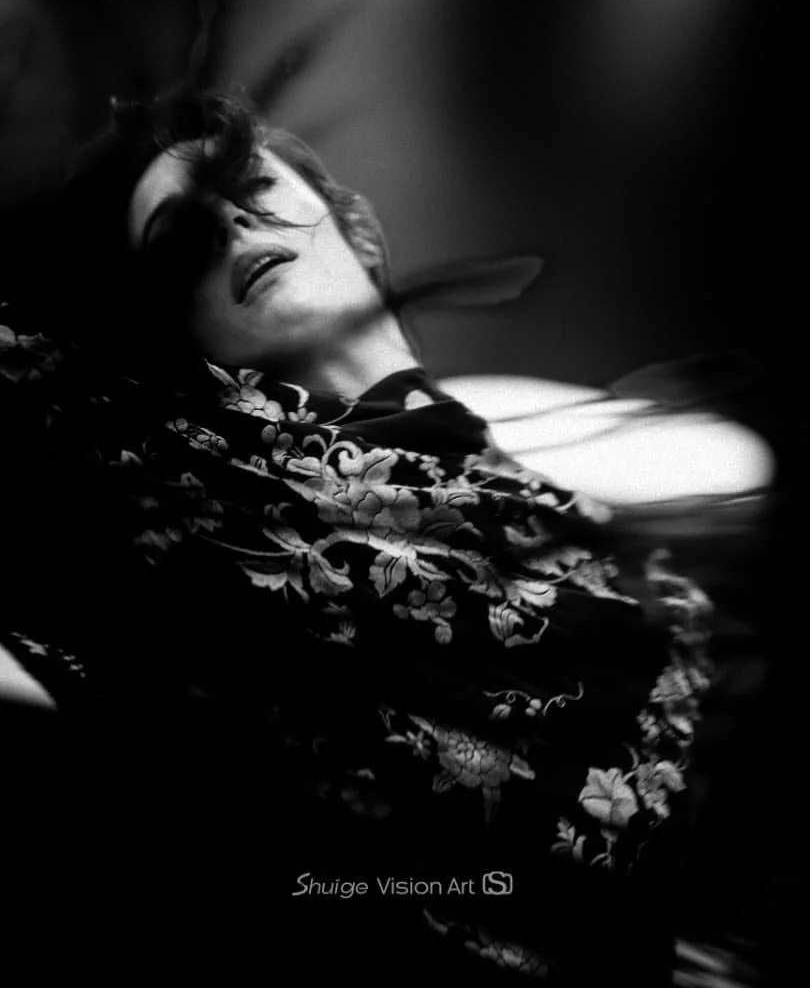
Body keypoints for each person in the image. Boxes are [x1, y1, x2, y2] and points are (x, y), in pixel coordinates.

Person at [0, 87, 725, 984]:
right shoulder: (193, 509)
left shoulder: (632, 574)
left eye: (250, 186)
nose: (227, 220)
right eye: (179, 239)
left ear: (358, 231)